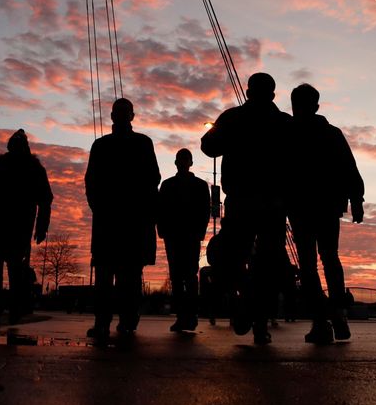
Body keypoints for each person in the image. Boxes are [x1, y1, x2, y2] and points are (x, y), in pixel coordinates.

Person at [201, 72, 294, 345]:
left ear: (249, 91)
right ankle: (260, 321)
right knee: (268, 261)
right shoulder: (283, 123)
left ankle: (243, 304)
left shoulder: (233, 118)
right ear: (273, 94)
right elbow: (294, 164)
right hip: (273, 204)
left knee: (234, 256)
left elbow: (208, 146)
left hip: (242, 200)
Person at [287, 83, 365, 345]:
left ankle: (321, 320)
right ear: (317, 106)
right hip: (328, 205)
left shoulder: (290, 133)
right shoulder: (332, 133)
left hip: (301, 206)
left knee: (309, 263)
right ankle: (338, 314)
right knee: (330, 257)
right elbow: (349, 167)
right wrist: (357, 199)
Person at [84, 98, 161, 340]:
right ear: (131, 116)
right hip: (131, 220)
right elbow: (153, 178)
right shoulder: (142, 143)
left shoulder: (102, 145)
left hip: (112, 219)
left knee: (108, 274)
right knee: (127, 274)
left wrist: (100, 207)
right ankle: (125, 320)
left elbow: (91, 183)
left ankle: (105, 322)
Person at [0, 129, 53, 334]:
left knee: (1, 272)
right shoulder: (32, 168)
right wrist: (41, 228)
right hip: (14, 228)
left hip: (6, 227)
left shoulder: (7, 166)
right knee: (7, 271)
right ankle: (4, 312)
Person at [157, 148, 211, 332]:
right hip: (175, 235)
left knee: (188, 275)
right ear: (176, 162)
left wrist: (200, 232)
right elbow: (161, 209)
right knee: (178, 277)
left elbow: (205, 211)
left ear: (190, 162)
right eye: (180, 159)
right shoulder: (168, 185)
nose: (182, 162)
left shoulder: (197, 186)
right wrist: (162, 230)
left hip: (188, 235)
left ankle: (190, 315)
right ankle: (183, 316)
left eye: (185, 158)